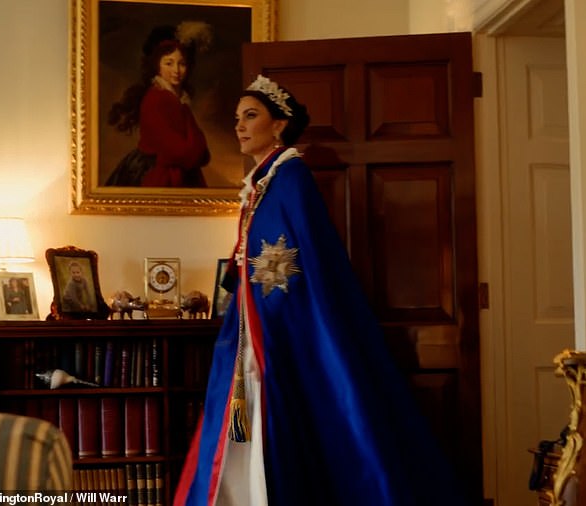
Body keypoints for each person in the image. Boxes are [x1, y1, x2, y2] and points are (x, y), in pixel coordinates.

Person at [173, 75, 470, 506]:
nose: (239, 126)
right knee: (245, 406)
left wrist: (276, 315)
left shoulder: (290, 178)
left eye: (250, 116)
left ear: (279, 124)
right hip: (255, 321)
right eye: (237, 118)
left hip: (279, 323)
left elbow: (304, 260)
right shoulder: (263, 182)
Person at [105, 23, 211, 187]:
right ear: (157, 66)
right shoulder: (156, 99)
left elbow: (202, 152)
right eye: (169, 63)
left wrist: (195, 151)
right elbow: (180, 152)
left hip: (179, 171)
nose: (176, 70)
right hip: (156, 174)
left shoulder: (179, 100)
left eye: (182, 64)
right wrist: (195, 152)